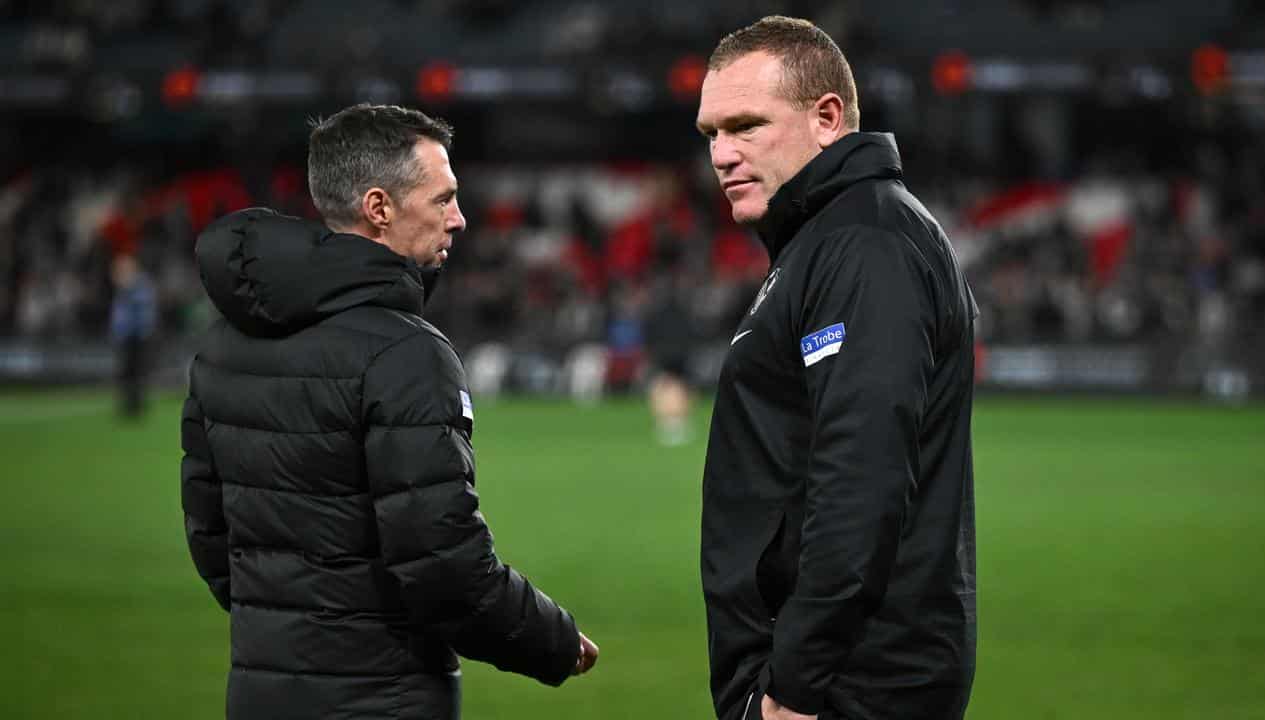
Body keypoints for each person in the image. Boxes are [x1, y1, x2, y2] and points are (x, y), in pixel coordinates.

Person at [180, 103, 598, 720]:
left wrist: (288, 632)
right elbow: (444, 565)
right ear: (380, 208)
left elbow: (212, 539)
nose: (460, 219)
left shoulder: (222, 343)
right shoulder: (405, 352)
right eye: (444, 199)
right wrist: (553, 640)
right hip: (383, 696)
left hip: (260, 692)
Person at [695, 17, 978, 720]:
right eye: (711, 134)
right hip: (834, 675)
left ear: (827, 118)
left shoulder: (865, 244)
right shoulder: (827, 241)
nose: (722, 155)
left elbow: (861, 477)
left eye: (746, 126)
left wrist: (792, 686)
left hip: (843, 687)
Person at [108, 253, 156, 418]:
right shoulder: (126, 288)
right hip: (126, 336)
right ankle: (129, 405)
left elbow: (143, 309)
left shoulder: (138, 285)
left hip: (137, 336)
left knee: (135, 371)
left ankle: (136, 406)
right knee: (126, 371)